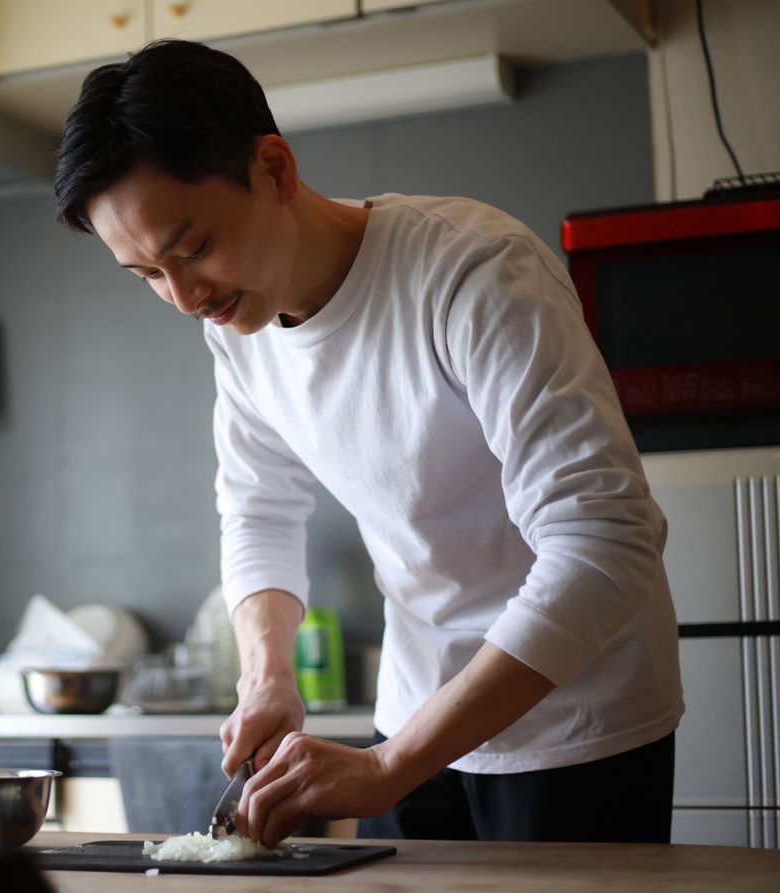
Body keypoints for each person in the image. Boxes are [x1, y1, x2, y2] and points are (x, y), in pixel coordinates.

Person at [53, 39, 683, 847]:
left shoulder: (473, 272)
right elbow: (259, 512)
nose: (182, 297)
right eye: (146, 274)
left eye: (194, 248)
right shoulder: (239, 325)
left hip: (573, 723)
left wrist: (389, 765)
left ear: (274, 169)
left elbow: (605, 543)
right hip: (414, 711)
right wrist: (267, 676)